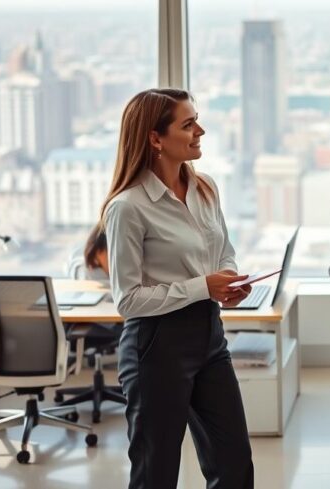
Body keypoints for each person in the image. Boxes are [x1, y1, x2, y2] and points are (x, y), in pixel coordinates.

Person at [101, 88, 254, 489]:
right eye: (188, 125)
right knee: (156, 474)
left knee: (235, 465)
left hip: (209, 338)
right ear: (155, 138)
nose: (200, 130)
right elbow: (128, 300)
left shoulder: (206, 189)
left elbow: (224, 252)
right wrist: (204, 286)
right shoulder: (128, 207)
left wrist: (229, 282)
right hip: (155, 346)